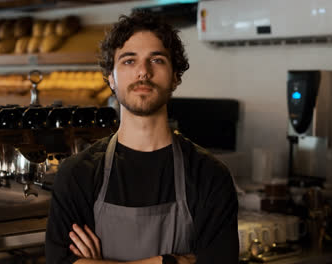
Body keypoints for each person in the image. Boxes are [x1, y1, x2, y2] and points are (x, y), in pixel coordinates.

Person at [45, 11, 239, 264]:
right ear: (111, 78)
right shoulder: (77, 174)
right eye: (128, 61)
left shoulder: (209, 176)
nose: (143, 72)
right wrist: (165, 261)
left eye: (157, 60)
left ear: (175, 77)